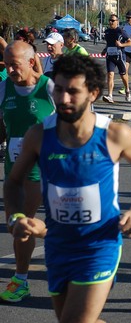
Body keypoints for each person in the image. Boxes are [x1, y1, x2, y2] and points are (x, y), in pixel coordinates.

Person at [3, 54, 131, 321]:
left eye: (73, 92)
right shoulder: (38, 135)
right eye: (59, 90)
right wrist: (15, 217)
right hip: (57, 244)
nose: (63, 99)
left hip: (100, 245)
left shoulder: (115, 135)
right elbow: (14, 182)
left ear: (93, 93)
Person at [0, 42, 56, 302]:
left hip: (42, 170)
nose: (9, 69)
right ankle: (63, 239)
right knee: (16, 226)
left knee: (23, 222)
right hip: (13, 171)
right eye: (6, 64)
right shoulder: (4, 89)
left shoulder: (50, 89)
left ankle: (20, 280)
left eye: (15, 64)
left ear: (32, 62)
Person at [101, 14, 131, 103]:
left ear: (117, 22)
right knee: (110, 74)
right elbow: (108, 43)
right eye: (110, 20)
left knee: (123, 75)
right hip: (110, 56)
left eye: (113, 21)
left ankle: (127, 90)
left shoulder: (121, 31)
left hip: (120, 56)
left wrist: (121, 45)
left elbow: (130, 43)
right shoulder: (107, 31)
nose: (111, 22)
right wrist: (105, 49)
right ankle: (110, 95)